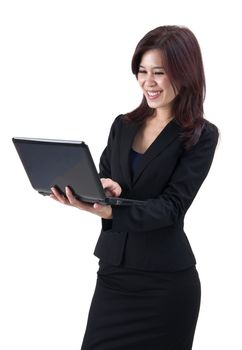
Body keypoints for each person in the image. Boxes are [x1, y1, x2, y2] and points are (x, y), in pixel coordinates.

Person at [51, 25, 219, 350]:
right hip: (114, 274)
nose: (148, 82)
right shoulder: (123, 125)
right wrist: (102, 190)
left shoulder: (200, 135)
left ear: (185, 74)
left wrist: (113, 208)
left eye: (159, 72)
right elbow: (104, 176)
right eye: (142, 71)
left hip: (166, 284)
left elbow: (172, 208)